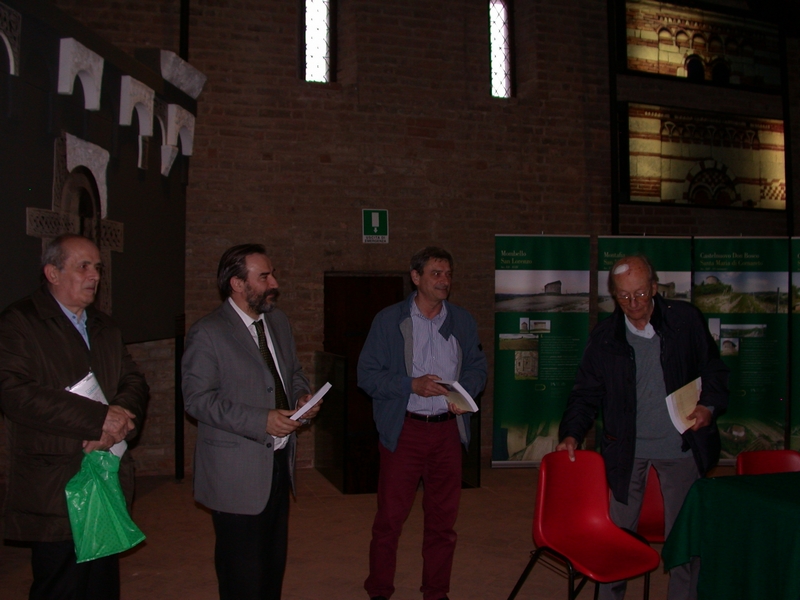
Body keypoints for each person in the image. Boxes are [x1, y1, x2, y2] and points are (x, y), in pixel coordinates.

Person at [557, 254, 729, 600]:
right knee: (616, 540)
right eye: (622, 296)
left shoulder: (685, 321)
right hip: (626, 450)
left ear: (654, 287)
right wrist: (572, 433)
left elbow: (714, 371)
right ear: (613, 295)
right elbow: (586, 392)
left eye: (639, 294)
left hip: (680, 448)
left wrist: (708, 407)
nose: (632, 304)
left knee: (683, 542)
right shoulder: (605, 337)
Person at [0, 233, 149, 599]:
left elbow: (134, 381)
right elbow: (14, 393)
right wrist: (98, 418)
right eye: (83, 266)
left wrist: (119, 421)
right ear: (52, 272)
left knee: (101, 582)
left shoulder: (104, 326)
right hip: (55, 479)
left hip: (104, 470)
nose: (94, 275)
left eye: (97, 267)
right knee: (61, 583)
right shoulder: (20, 322)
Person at [182, 243, 320, 600]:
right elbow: (197, 400)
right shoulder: (208, 333)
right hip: (235, 470)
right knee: (241, 574)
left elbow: (293, 373)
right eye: (264, 276)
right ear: (237, 284)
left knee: (272, 565)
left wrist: (302, 396)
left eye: (272, 273)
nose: (274, 282)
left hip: (277, 463)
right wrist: (262, 420)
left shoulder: (278, 320)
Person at [358, 246, 488, 600]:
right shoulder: (389, 321)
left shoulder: (461, 320)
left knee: (443, 523)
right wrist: (410, 385)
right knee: (390, 521)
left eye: (447, 274)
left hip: (447, 431)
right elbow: (366, 375)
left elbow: (478, 368)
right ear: (416, 277)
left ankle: (436, 592)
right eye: (435, 274)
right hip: (406, 430)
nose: (444, 281)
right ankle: (380, 590)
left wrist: (465, 393)